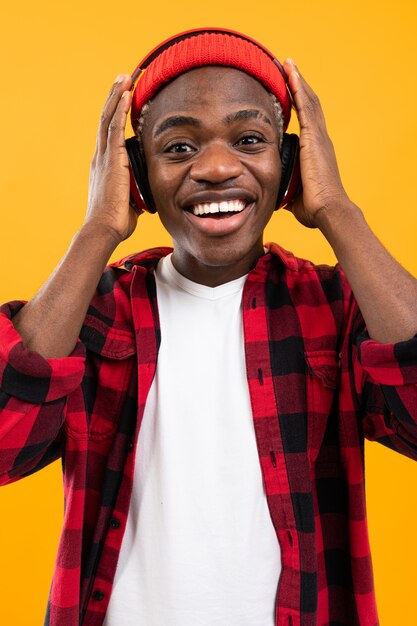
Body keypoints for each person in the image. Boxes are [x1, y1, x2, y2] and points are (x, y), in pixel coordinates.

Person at [0, 27, 416, 626]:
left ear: (291, 164)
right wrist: (95, 232)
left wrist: (338, 212)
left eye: (249, 139)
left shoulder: (337, 306)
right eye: (177, 148)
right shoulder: (96, 313)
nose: (217, 167)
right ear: (137, 178)